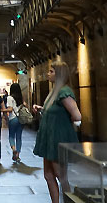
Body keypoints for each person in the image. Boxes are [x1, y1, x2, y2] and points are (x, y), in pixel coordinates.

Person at [33, 62, 82, 203]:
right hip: (50, 138)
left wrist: (63, 124)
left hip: (57, 139)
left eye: (51, 71)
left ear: (59, 74)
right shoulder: (55, 91)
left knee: (60, 175)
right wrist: (42, 109)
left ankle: (68, 201)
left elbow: (77, 116)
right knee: (48, 175)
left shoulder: (64, 92)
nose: (48, 74)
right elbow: (56, 110)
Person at [4, 83, 26, 162]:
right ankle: (18, 155)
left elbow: (10, 109)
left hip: (13, 118)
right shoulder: (21, 98)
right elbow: (24, 106)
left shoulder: (9, 98)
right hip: (20, 119)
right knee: (19, 137)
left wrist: (2, 110)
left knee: (11, 136)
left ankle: (14, 149)